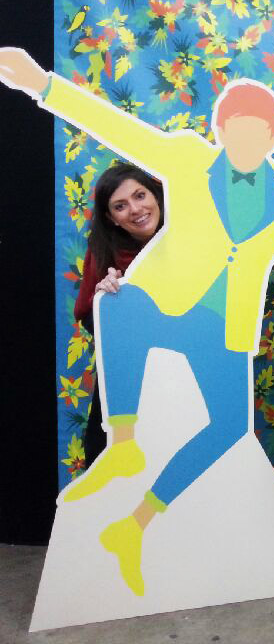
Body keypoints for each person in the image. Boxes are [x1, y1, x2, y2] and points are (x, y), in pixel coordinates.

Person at [0, 47, 274, 596]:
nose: (247, 143)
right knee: (119, 304)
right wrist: (42, 85)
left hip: (223, 325)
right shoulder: (186, 158)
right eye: (237, 131)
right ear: (221, 131)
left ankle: (134, 527)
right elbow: (118, 130)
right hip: (165, 304)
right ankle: (123, 442)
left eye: (260, 133)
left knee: (228, 428)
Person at [74, 163, 164, 464]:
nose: (136, 209)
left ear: (156, 196)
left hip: (180, 376)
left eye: (140, 195)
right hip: (125, 382)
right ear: (111, 218)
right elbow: (90, 319)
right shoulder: (104, 251)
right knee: (111, 461)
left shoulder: (188, 242)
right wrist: (108, 301)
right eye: (120, 206)